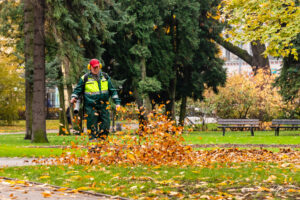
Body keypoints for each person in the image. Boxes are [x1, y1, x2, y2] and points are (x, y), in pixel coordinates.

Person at [70, 59, 121, 141]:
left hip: (104, 105)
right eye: (94, 67)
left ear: (99, 66)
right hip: (91, 106)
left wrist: (117, 103)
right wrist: (74, 97)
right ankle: (93, 141)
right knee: (92, 125)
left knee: (106, 124)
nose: (96, 69)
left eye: (97, 67)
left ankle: (102, 140)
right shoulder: (85, 78)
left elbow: (112, 91)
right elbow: (77, 90)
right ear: (90, 67)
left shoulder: (105, 76)